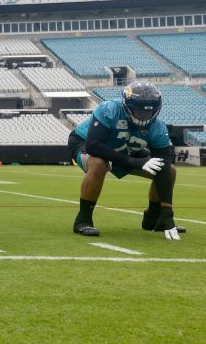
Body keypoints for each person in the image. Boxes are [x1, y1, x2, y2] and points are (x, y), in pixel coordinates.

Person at [68, 81, 182, 240]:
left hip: (125, 148)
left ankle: (153, 218)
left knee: (169, 170)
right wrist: (134, 162)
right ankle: (83, 219)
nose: (144, 115)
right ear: (126, 105)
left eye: (149, 111)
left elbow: (163, 166)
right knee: (100, 164)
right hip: (85, 142)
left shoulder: (158, 128)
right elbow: (93, 146)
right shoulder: (109, 110)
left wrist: (167, 212)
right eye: (139, 110)